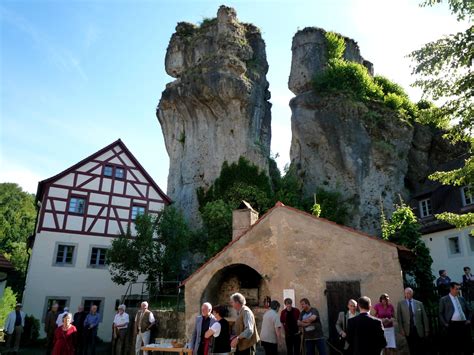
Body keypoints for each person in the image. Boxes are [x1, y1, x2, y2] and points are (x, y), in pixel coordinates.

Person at [439, 282, 472, 354]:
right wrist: (445, 323)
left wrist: (469, 320)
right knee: (455, 346)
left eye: (459, 289)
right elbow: (440, 313)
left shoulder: (461, 298)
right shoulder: (444, 299)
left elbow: (469, 310)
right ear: (451, 289)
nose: (458, 291)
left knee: (467, 344)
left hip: (464, 324)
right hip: (453, 325)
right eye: (456, 289)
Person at [397, 287, 429, 355]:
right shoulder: (400, 304)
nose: (408, 295)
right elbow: (399, 318)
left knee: (419, 346)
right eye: (406, 293)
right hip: (407, 329)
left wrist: (426, 330)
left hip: (418, 328)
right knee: (411, 346)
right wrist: (401, 329)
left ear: (412, 294)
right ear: (404, 294)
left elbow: (424, 317)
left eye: (409, 293)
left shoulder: (419, 303)